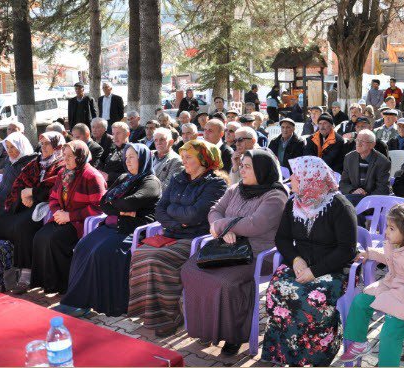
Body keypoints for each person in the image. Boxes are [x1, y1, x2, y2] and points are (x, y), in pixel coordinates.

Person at [182, 149, 288, 355]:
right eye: (242, 165)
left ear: (262, 170)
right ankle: (205, 329)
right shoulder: (236, 189)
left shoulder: (276, 196)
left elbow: (255, 224)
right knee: (190, 270)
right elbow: (214, 210)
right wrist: (220, 227)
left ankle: (234, 335)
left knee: (226, 283)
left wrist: (223, 226)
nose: (242, 170)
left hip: (257, 255)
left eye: (248, 166)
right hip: (226, 248)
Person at [261, 156, 357, 367]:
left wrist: (315, 271)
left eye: (296, 175)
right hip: (300, 265)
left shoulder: (339, 206)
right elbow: (282, 238)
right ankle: (285, 352)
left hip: (332, 268)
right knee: (278, 288)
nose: (292, 179)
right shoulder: (293, 203)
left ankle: (316, 355)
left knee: (311, 297)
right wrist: (295, 260)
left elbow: (347, 250)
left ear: (310, 178)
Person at [127, 140, 227, 336]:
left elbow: (195, 215)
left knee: (157, 260)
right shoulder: (178, 178)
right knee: (140, 253)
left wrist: (174, 212)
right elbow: (160, 209)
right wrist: (175, 221)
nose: (184, 162)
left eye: (188, 157)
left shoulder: (215, 183)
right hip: (172, 233)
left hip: (195, 238)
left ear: (204, 159)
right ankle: (150, 313)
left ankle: (169, 317)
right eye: (182, 157)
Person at [55, 143, 161, 317]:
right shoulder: (123, 178)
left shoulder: (151, 182)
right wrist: (122, 209)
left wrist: (118, 205)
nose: (128, 161)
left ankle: (100, 303)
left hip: (130, 230)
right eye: (126, 157)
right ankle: (75, 301)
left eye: (132, 157)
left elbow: (130, 202)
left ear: (143, 158)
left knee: (102, 252)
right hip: (112, 224)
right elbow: (104, 203)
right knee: (82, 247)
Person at [340, 204, 404, 367]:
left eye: (391, 228)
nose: (386, 231)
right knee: (360, 302)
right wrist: (371, 254)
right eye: (387, 227)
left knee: (390, 330)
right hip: (395, 285)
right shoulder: (399, 242)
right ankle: (360, 344)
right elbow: (392, 258)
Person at [0, 132, 66, 294]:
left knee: (23, 227)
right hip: (25, 203)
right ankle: (4, 266)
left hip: (44, 206)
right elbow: (18, 183)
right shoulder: (35, 163)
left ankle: (26, 272)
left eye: (48, 144)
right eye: (42, 143)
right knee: (0, 221)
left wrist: (32, 193)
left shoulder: (62, 164)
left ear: (57, 146)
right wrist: (22, 195)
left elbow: (55, 188)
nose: (44, 147)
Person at [31, 140, 107, 294]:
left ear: (80, 157)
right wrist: (58, 212)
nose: (65, 160)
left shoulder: (92, 176)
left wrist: (70, 216)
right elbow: (53, 197)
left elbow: (98, 207)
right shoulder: (62, 173)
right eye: (64, 155)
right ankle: (46, 282)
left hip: (80, 222)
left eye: (70, 156)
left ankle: (63, 285)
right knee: (40, 236)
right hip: (61, 218)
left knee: (55, 240)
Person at [340, 129, 391, 206]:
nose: (358, 144)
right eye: (357, 140)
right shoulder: (349, 158)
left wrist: (365, 197)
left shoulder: (383, 162)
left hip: (371, 201)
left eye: (362, 141)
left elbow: (383, 189)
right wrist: (352, 191)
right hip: (352, 197)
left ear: (372, 145)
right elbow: (343, 183)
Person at [101, 121, 130, 186]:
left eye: (118, 133)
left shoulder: (132, 151)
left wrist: (109, 176)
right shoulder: (112, 148)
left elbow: (133, 175)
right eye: (113, 134)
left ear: (127, 134)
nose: (115, 137)